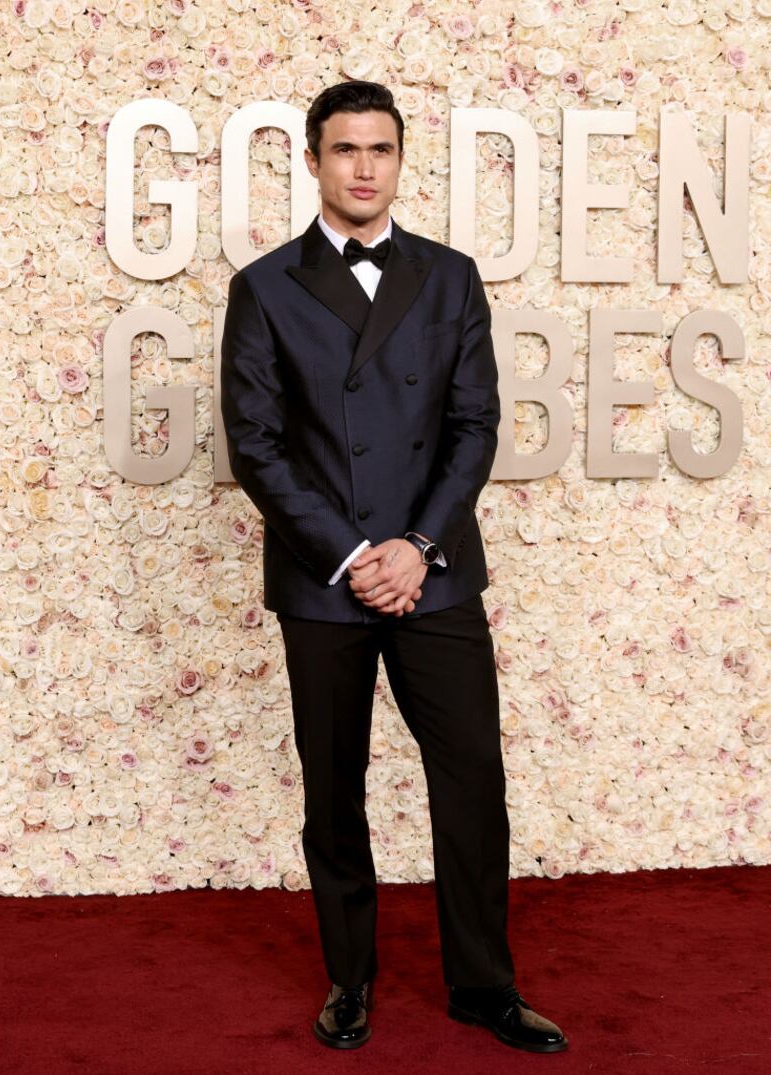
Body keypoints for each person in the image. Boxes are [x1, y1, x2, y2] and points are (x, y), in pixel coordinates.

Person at [220, 80, 567, 1054]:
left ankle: (483, 985)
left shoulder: (450, 277)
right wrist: (349, 555)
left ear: (399, 159)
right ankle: (349, 979)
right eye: (344, 150)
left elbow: (473, 424)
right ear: (312, 161)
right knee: (333, 788)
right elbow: (256, 446)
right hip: (321, 581)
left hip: (436, 573)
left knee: (471, 780)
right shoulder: (265, 288)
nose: (364, 166)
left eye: (380, 149)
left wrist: (415, 547)